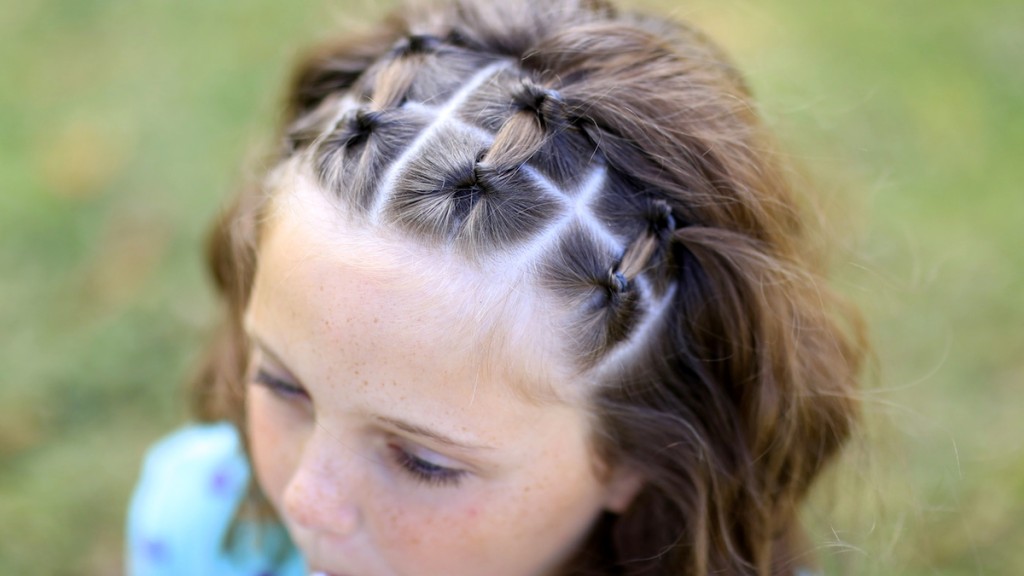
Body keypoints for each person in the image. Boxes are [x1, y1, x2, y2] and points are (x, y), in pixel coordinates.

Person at [126, 0, 866, 574]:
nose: (305, 500)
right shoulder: (196, 526)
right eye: (284, 386)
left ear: (642, 457)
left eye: (423, 462)